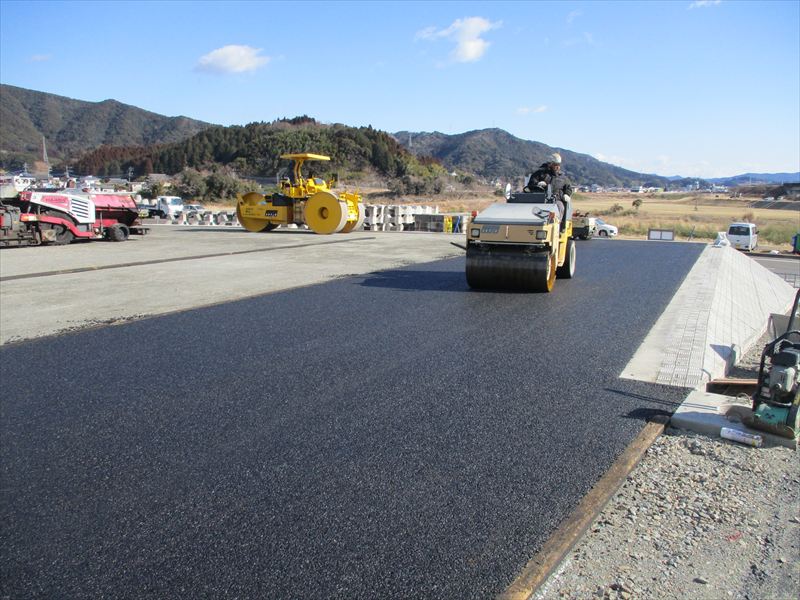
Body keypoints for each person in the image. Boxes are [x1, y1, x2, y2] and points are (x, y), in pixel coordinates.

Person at [524, 152, 573, 229]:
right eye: (555, 164)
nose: (558, 167)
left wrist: (567, 194)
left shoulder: (562, 177)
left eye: (559, 165)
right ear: (550, 164)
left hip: (556, 200)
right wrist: (537, 184)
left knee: (560, 207)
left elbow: (568, 188)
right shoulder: (539, 174)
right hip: (540, 199)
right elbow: (531, 184)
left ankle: (557, 227)